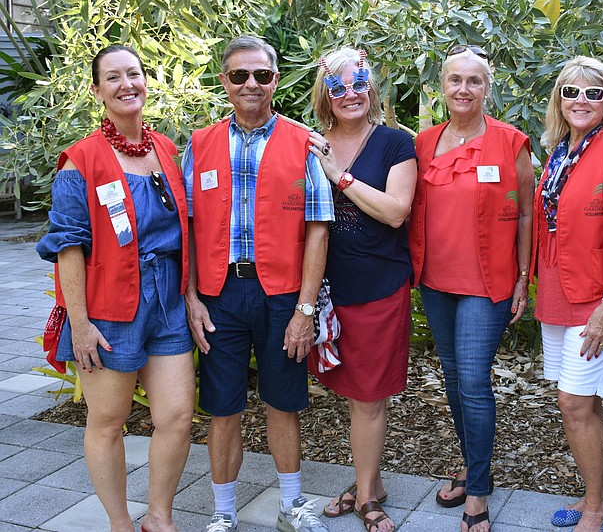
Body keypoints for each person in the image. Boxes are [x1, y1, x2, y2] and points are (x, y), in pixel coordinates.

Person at [36, 44, 195, 532]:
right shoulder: (80, 162)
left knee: (177, 416)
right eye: (113, 77)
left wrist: (190, 295)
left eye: (134, 73)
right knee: (108, 421)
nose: (127, 84)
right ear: (97, 91)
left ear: (146, 80)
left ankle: (159, 518)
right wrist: (80, 324)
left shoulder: (165, 150)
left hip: (167, 300)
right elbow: (68, 248)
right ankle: (121, 523)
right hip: (108, 307)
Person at [181, 36, 333, 532]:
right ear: (224, 81)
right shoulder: (199, 144)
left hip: (282, 295)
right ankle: (223, 513)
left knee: (283, 402)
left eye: (262, 75)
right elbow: (186, 227)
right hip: (219, 296)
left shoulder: (303, 142)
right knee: (222, 408)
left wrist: (305, 310)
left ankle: (292, 505)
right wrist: (191, 298)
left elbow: (318, 228)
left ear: (275, 80)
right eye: (240, 75)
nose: (251, 84)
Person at [409, 45, 534, 532]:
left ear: (487, 88)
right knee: (453, 378)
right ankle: (471, 465)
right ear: (442, 86)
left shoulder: (511, 142)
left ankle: (478, 489)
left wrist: (523, 276)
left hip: (487, 282)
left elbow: (525, 213)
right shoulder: (423, 143)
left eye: (474, 81)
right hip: (436, 281)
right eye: (455, 80)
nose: (464, 89)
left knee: (474, 383)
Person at [305, 46, 417, 532]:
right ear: (325, 95)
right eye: (338, 87)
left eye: (358, 84)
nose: (350, 94)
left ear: (370, 87)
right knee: (353, 396)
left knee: (369, 397)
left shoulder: (395, 143)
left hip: (378, 288)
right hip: (327, 292)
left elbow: (396, 211)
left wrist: (339, 176)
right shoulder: (311, 144)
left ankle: (368, 496)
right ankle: (369, 479)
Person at [534, 56, 603, 532]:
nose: (580, 100)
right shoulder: (561, 149)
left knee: (574, 403)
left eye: (593, 93)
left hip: (599, 297)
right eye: (571, 91)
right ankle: (594, 493)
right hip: (559, 292)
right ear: (559, 99)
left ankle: (598, 507)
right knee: (582, 402)